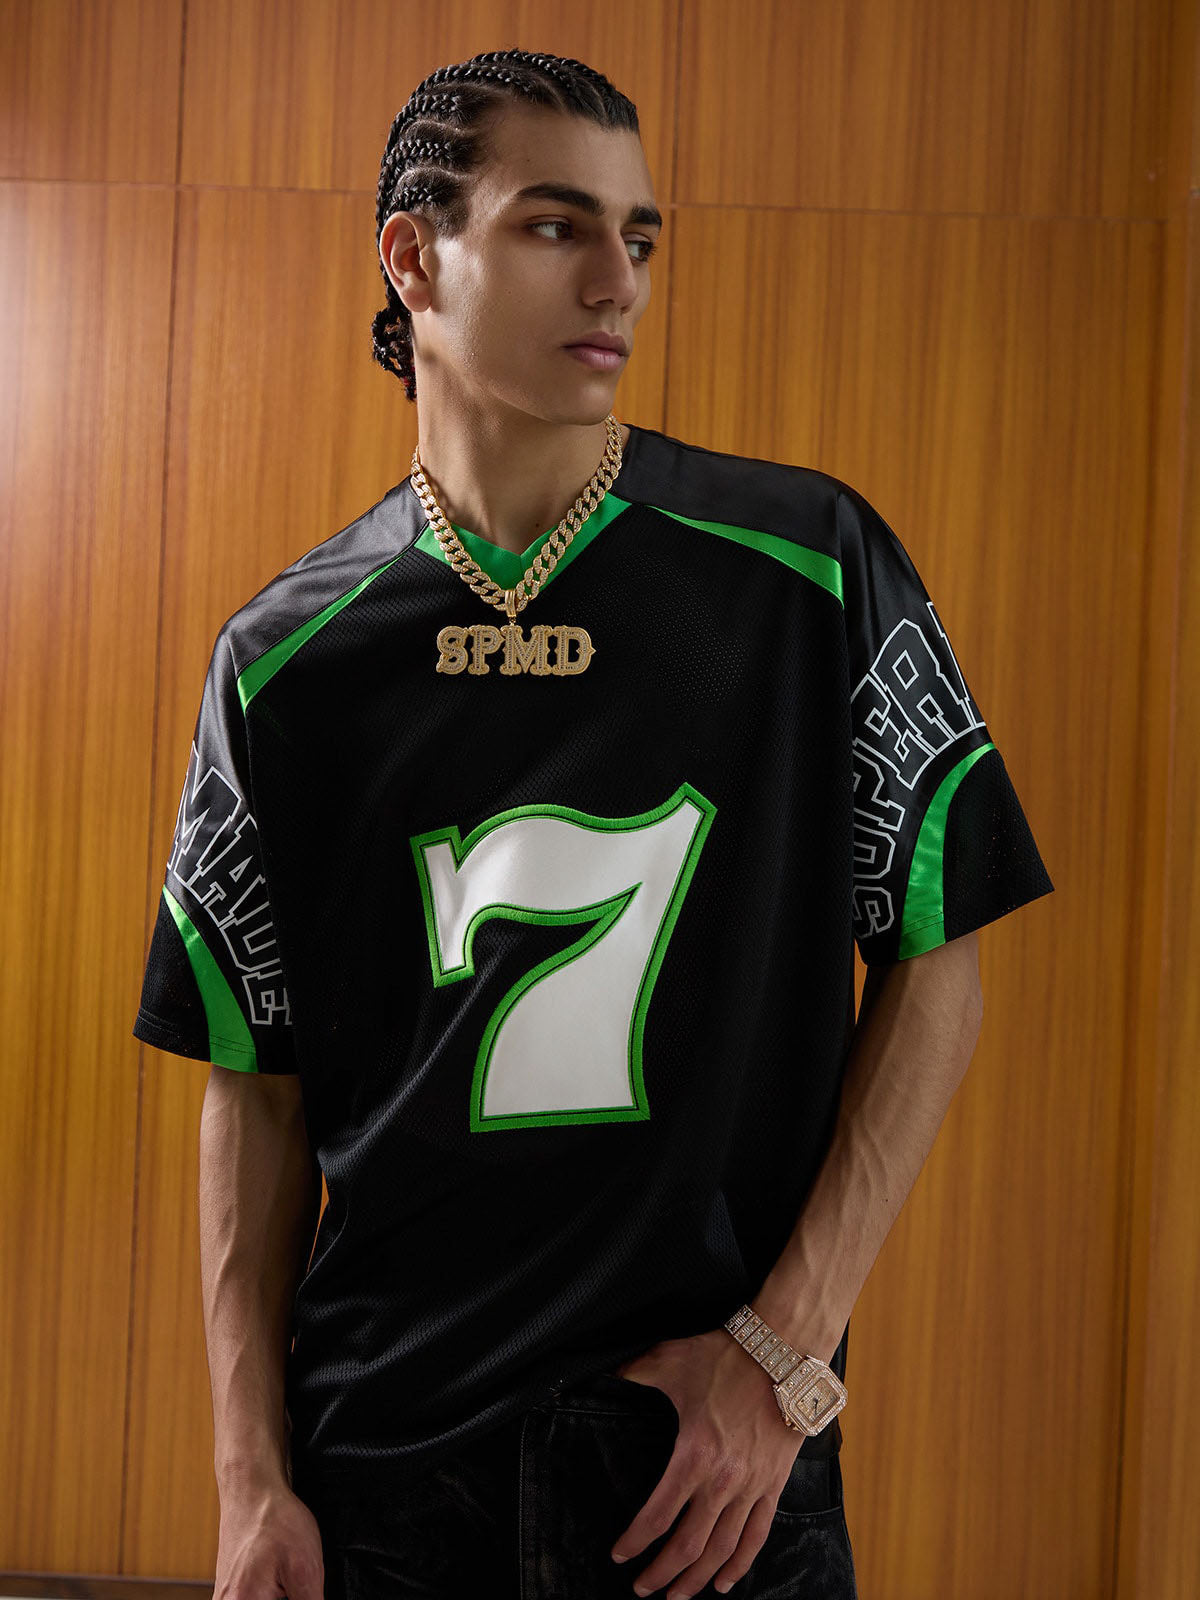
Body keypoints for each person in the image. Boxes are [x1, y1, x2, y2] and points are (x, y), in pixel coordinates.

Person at [132, 46, 1054, 1600]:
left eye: (637, 236)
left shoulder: (810, 570)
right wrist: (249, 1478)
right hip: (385, 1461)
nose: (616, 280)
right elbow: (256, 1089)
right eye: (555, 226)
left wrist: (783, 1351)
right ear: (414, 256)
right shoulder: (281, 659)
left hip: (705, 1468)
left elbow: (936, 952)